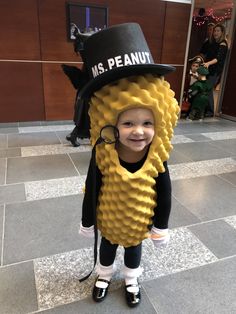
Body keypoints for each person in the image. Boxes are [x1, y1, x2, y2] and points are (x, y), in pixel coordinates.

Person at [76, 23, 179, 308]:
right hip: (109, 221)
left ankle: (132, 278)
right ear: (111, 123)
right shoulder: (103, 154)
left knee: (134, 249)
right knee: (107, 247)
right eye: (128, 123)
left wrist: (161, 225)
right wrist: (88, 220)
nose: (139, 131)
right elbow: (92, 188)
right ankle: (104, 275)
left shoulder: (157, 158)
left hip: (137, 222)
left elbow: (165, 193)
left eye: (148, 123)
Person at [201, 23, 228, 116]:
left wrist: (208, 63)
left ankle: (210, 111)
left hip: (215, 71)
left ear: (222, 32)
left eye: (218, 31)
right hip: (208, 69)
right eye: (215, 31)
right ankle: (206, 110)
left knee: (208, 90)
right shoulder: (213, 43)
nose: (215, 33)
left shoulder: (223, 43)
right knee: (205, 89)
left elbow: (218, 58)